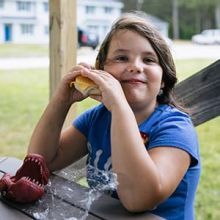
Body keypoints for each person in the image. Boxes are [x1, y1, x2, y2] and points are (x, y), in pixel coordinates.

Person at [27, 11, 201, 220]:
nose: (136, 66)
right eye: (121, 57)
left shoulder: (176, 128)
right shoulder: (96, 119)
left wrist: (119, 106)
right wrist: (61, 101)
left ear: (163, 79)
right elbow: (41, 163)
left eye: (149, 59)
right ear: (101, 70)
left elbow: (139, 199)